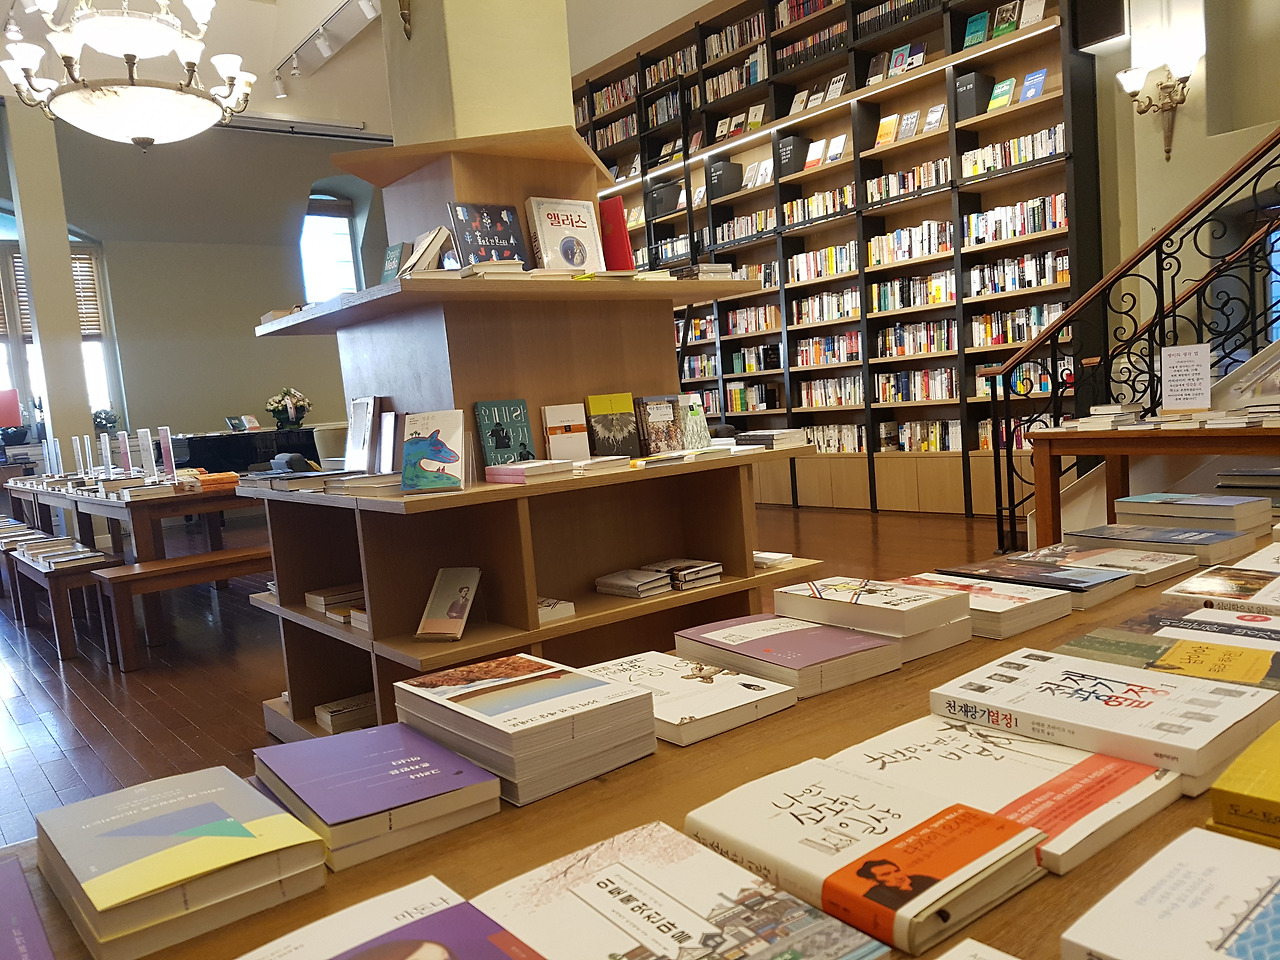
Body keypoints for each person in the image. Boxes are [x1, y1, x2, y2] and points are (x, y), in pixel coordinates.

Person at [855, 859, 937, 910]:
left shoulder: (920, 879)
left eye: (897, 871)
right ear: (874, 881)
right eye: (886, 874)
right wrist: (907, 891)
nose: (899, 876)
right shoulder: (874, 896)